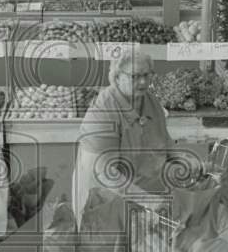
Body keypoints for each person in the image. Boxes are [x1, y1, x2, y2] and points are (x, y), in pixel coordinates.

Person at [73, 51, 172, 223]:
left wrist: (187, 163)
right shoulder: (103, 111)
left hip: (139, 197)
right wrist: (148, 200)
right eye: (135, 76)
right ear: (117, 77)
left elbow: (166, 143)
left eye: (147, 75)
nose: (143, 82)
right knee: (108, 246)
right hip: (104, 199)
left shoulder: (151, 102)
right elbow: (105, 172)